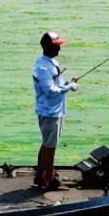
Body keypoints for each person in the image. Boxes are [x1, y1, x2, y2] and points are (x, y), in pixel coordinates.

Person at [32, 31, 79, 190]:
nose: (59, 48)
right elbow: (50, 90)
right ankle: (48, 178)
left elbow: (56, 83)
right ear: (47, 47)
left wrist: (67, 83)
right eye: (56, 46)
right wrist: (69, 87)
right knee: (50, 146)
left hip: (54, 110)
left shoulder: (50, 63)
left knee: (47, 144)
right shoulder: (43, 67)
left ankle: (41, 175)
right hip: (49, 112)